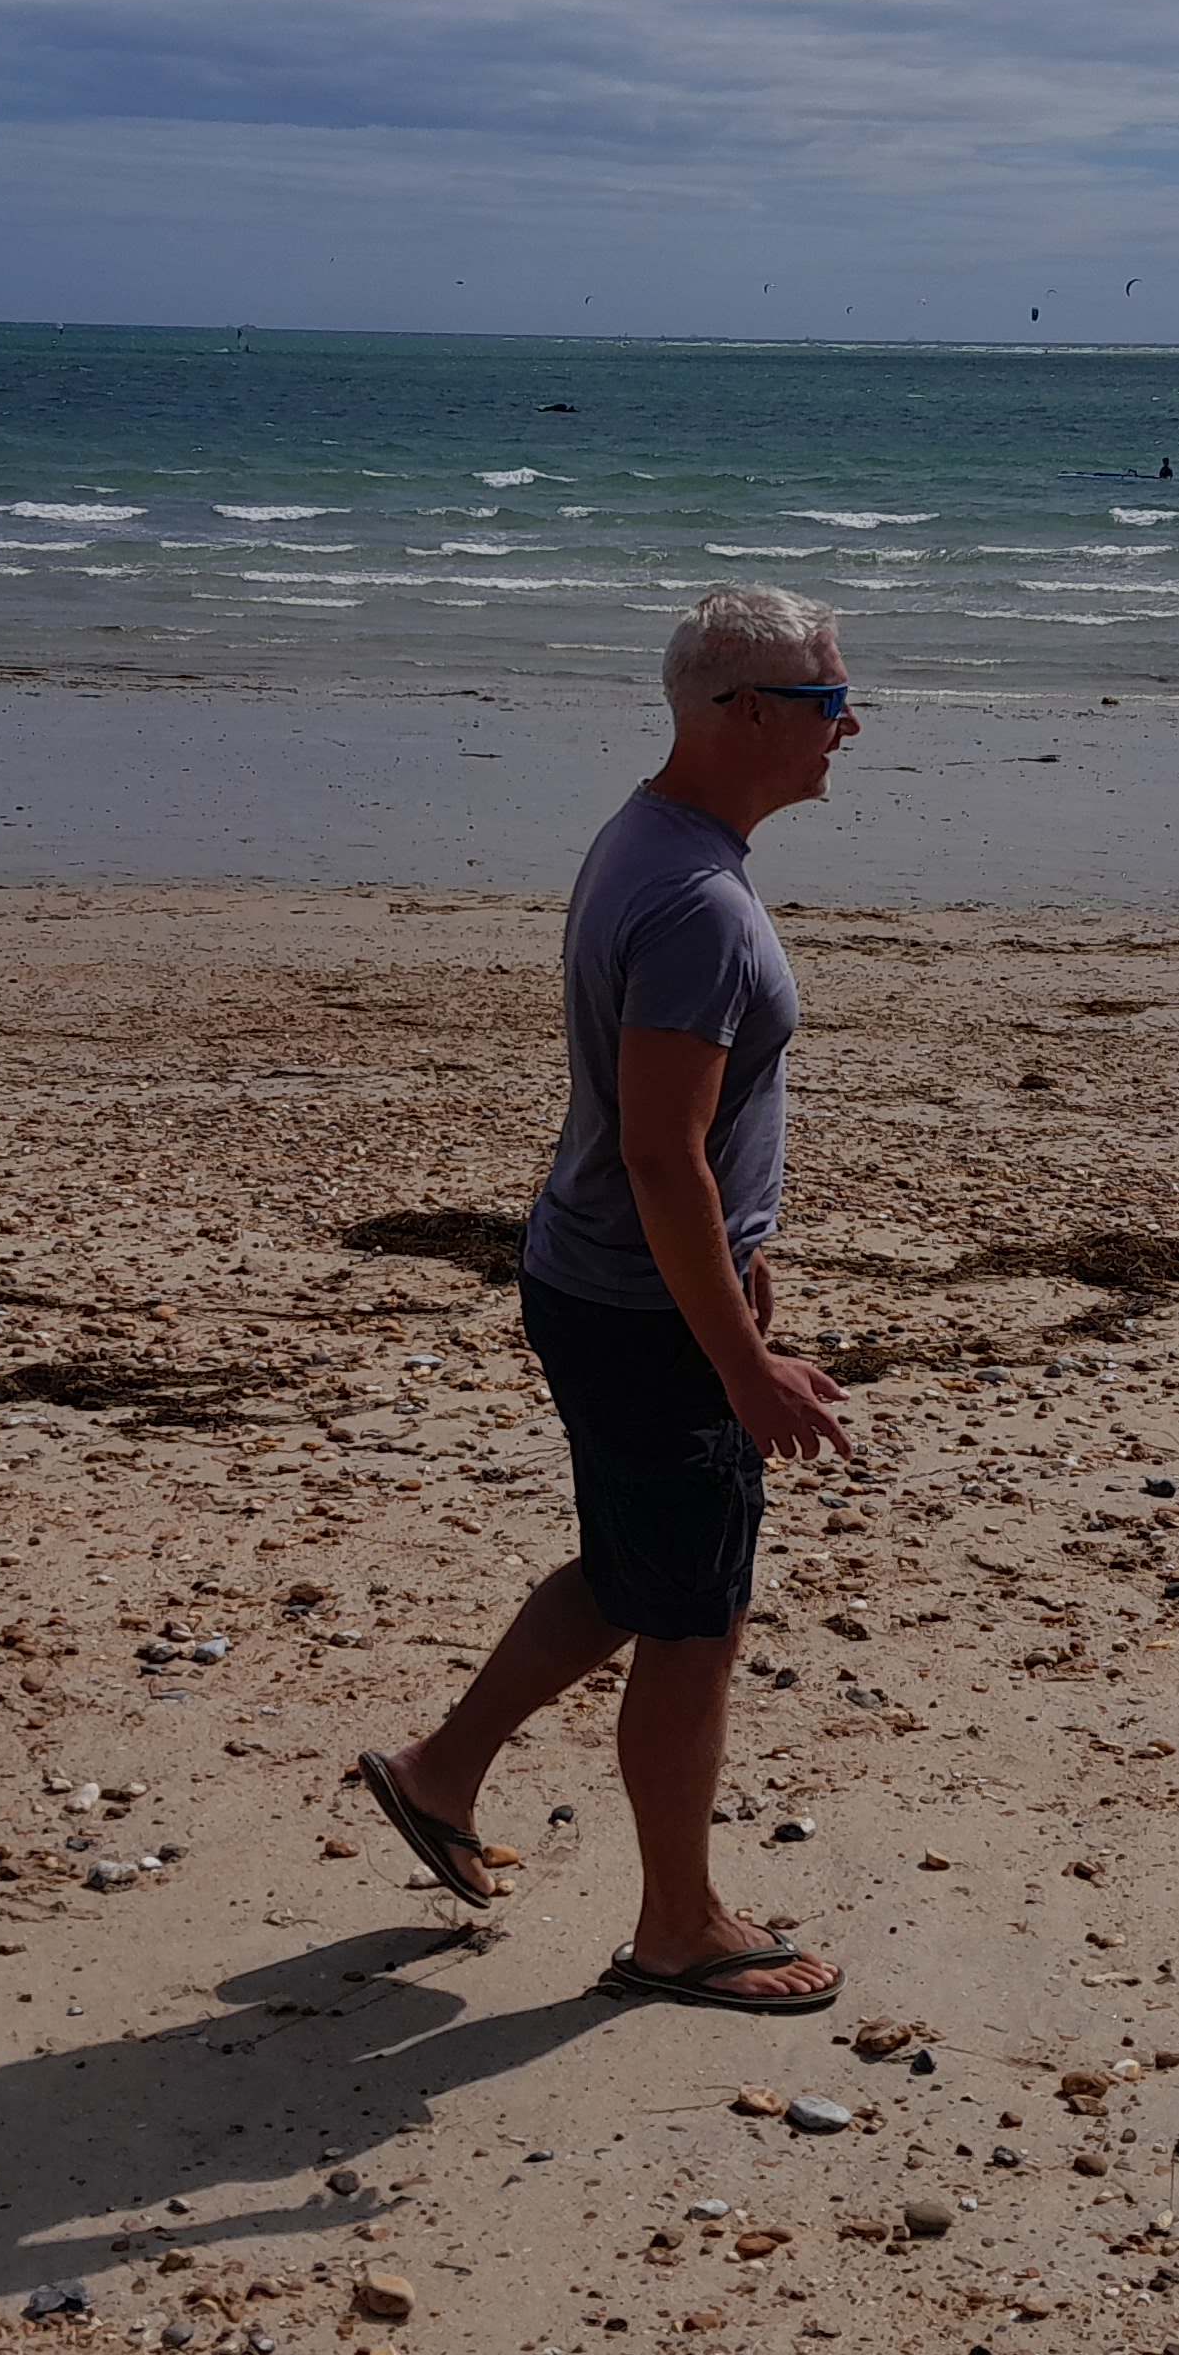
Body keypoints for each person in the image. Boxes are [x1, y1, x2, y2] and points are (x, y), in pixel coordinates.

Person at [354, 583, 861, 2015]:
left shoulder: (660, 839)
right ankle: (679, 1926)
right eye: (830, 703)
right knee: (693, 1616)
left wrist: (747, 1286)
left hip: (609, 1284)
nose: (853, 727)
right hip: (639, 1308)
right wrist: (742, 1364)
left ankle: (438, 1771)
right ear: (745, 714)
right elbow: (656, 1152)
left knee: (636, 1572)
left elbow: (676, 1145)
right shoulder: (694, 897)